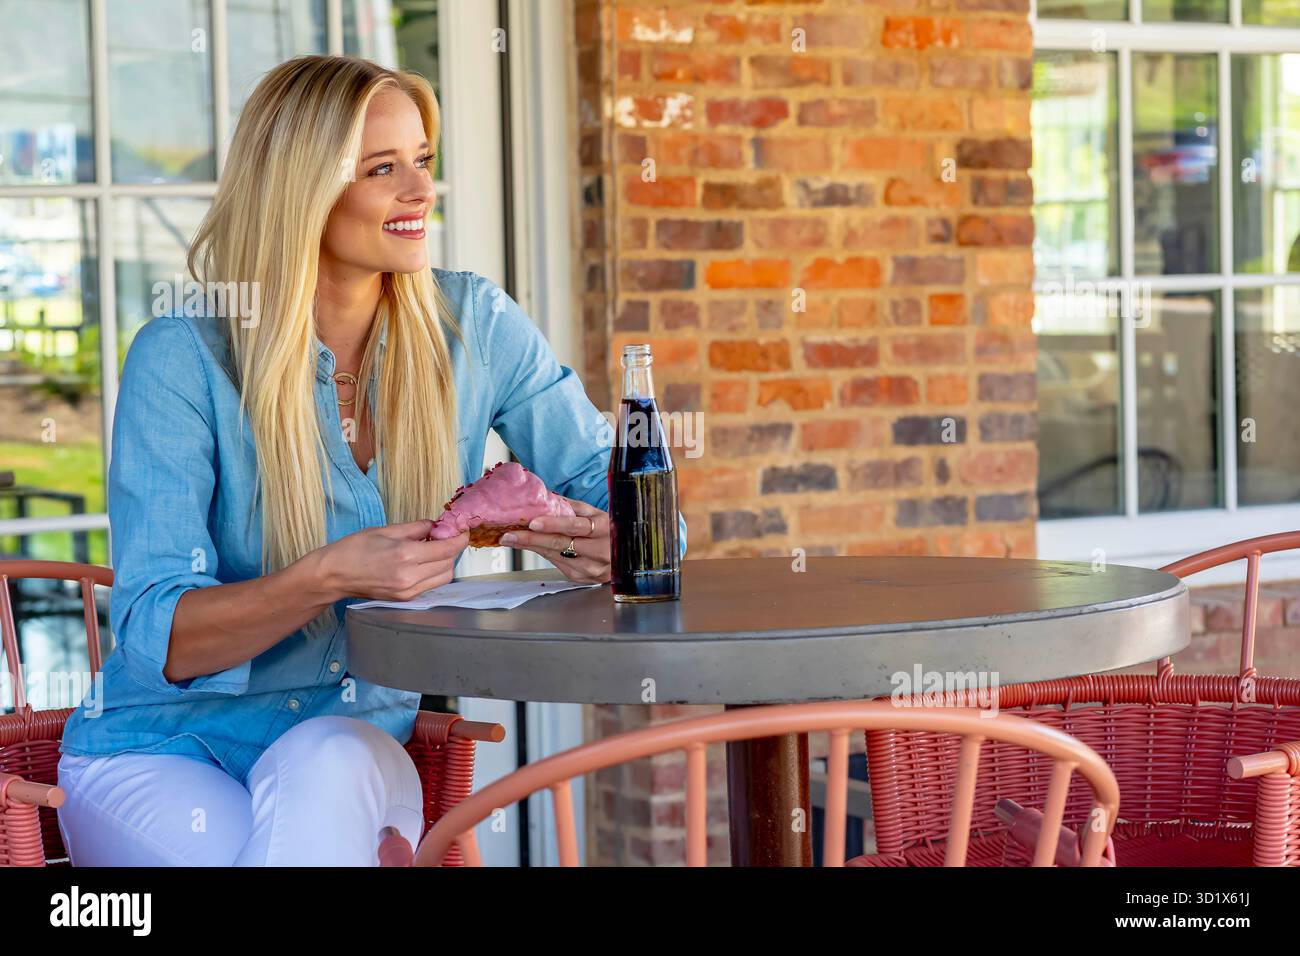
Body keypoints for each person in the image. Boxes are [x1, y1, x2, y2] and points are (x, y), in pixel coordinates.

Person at [55, 54, 687, 866]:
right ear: (300, 192)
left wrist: (577, 530)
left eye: (422, 162)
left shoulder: (476, 326)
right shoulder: (184, 359)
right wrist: (328, 576)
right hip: (155, 753)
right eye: (381, 169)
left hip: (352, 748)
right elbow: (156, 635)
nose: (421, 192)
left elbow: (636, 520)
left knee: (331, 757)